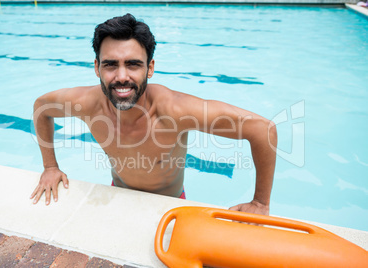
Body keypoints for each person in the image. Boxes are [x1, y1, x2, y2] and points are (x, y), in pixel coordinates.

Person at [30, 13, 277, 216]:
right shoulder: (86, 104)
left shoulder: (175, 111)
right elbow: (42, 108)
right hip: (119, 194)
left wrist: (260, 203)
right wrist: (50, 166)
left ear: (150, 68)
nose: (122, 76)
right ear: (96, 67)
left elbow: (263, 129)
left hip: (170, 205)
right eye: (110, 64)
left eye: (134, 64)